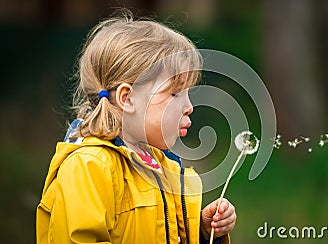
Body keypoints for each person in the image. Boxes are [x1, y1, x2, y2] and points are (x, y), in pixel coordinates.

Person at [36, 9, 236, 244]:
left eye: (188, 93)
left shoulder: (161, 165)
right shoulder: (89, 166)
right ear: (127, 99)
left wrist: (204, 233)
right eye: (175, 93)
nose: (189, 106)